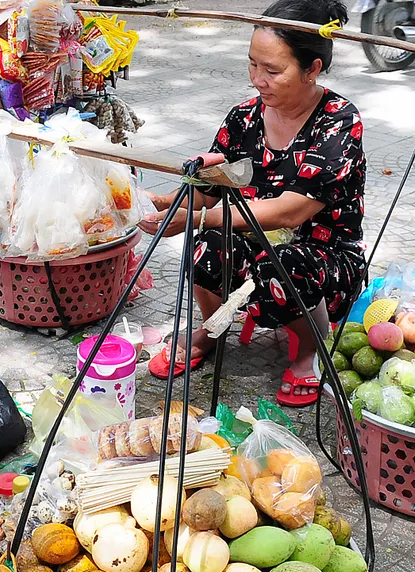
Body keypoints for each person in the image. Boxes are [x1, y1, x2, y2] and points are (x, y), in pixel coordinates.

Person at [143, 0, 366, 407]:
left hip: (322, 254)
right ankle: (212, 328)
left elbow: (292, 210)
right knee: (204, 245)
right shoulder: (244, 118)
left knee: (281, 262)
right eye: (253, 65)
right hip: (252, 238)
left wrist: (199, 216)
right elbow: (214, 186)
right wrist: (171, 201)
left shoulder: (338, 121)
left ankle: (307, 352)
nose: (258, 80)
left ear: (312, 69)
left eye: (273, 70)